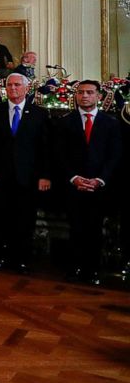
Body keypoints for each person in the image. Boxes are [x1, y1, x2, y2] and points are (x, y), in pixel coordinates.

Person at [0, 73, 51, 273]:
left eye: (17, 85)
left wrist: (45, 175)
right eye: (9, 85)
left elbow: (45, 148)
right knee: (0, 219)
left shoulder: (39, 114)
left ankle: (20, 260)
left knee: (25, 220)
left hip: (27, 178)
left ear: (26, 88)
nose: (12, 88)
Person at [56, 80, 122, 284]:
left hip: (99, 187)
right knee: (75, 228)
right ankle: (74, 268)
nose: (85, 96)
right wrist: (74, 178)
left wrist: (100, 180)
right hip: (73, 186)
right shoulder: (65, 122)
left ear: (99, 96)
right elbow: (59, 154)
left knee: (94, 229)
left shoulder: (111, 123)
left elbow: (115, 155)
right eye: (81, 92)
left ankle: (92, 270)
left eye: (90, 92)